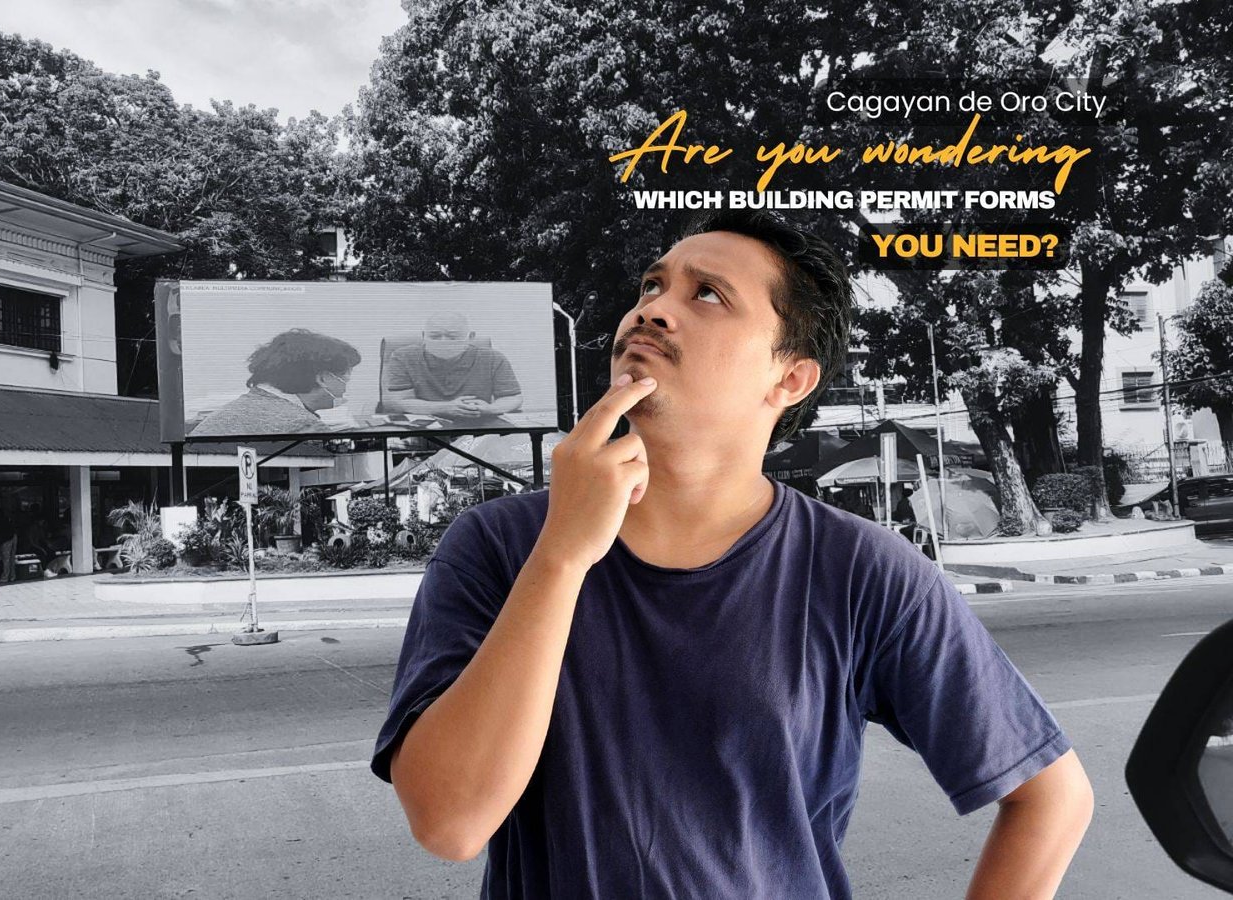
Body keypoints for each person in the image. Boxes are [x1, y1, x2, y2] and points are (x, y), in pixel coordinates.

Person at [371, 210, 1092, 898]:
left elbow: (1052, 798)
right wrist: (561, 555)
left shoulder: (863, 573)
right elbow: (450, 822)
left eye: (707, 295)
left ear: (790, 378)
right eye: (651, 286)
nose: (651, 310)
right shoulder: (498, 545)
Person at [189, 328, 362, 436]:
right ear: (323, 378)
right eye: (346, 378)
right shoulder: (304, 426)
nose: (346, 388)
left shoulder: (233, 410)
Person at [381, 312, 523, 429]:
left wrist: (490, 409)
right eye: (435, 336)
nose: (443, 341)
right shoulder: (402, 356)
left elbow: (513, 398)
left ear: (471, 337)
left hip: (475, 427)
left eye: (452, 336)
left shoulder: (493, 358)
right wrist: (446, 408)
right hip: (420, 428)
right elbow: (399, 402)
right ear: (423, 336)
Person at [0, 509, 18, 583]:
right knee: (12, 558)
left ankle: (5, 577)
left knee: (6, 559)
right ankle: (12, 576)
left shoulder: (0, 522)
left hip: (7, 539)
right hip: (14, 536)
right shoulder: (7, 520)